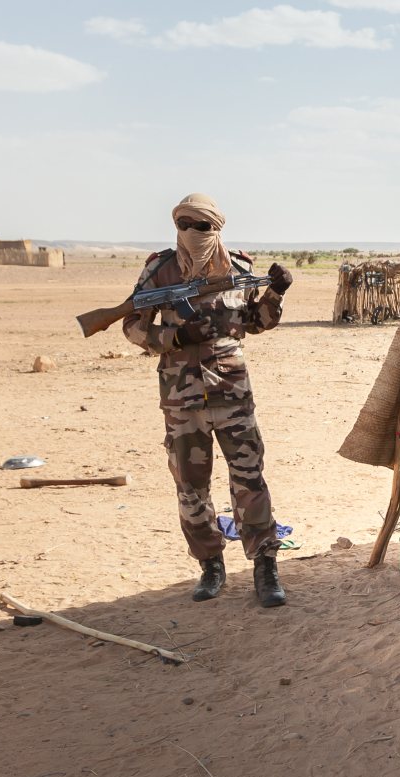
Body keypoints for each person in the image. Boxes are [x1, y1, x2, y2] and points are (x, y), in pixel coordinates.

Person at [123, 193, 294, 606]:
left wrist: (275, 293)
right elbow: (132, 326)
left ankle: (265, 566)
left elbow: (256, 322)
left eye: (200, 226)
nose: (190, 233)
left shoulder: (239, 268)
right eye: (182, 224)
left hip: (232, 393)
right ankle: (211, 566)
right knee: (190, 487)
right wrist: (176, 336)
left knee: (249, 480)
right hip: (182, 399)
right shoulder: (160, 270)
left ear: (215, 228)